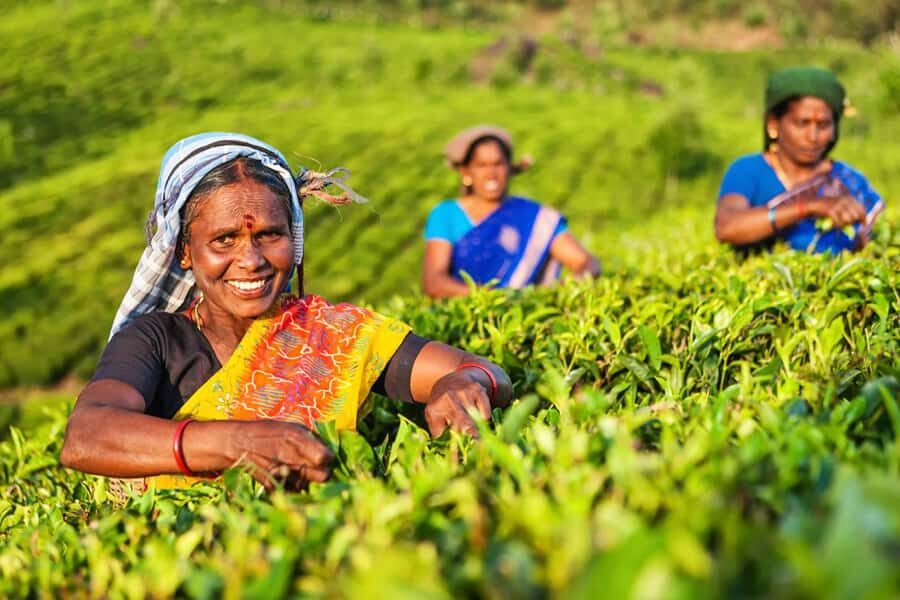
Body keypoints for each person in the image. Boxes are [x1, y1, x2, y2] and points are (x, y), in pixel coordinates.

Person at [60, 133, 511, 492]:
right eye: (224, 240)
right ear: (183, 250)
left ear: (292, 240)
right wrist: (236, 442)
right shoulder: (155, 339)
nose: (251, 259)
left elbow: (484, 372)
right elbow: (87, 436)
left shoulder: (332, 336)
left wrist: (462, 384)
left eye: (269, 235)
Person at [715, 66, 884, 254]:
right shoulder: (749, 171)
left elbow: (874, 244)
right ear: (773, 124)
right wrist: (810, 206)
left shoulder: (848, 180)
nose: (813, 136)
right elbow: (727, 228)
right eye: (802, 123)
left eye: (824, 124)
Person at [422, 125, 600, 298]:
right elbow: (434, 281)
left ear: (510, 168)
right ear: (466, 172)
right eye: (481, 165)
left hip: (519, 319)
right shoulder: (446, 215)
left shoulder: (535, 217)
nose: (491, 173)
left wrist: (567, 285)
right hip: (462, 318)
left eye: (498, 164)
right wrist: (494, 298)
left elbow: (586, 262)